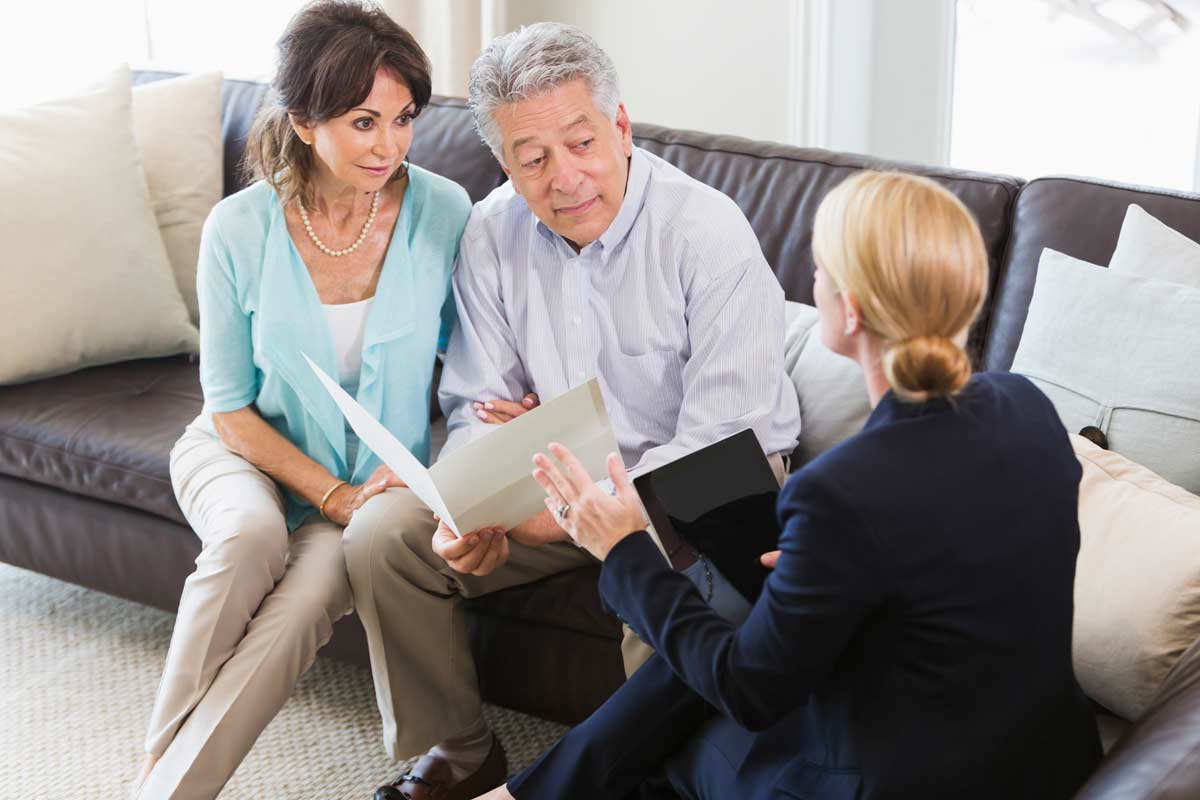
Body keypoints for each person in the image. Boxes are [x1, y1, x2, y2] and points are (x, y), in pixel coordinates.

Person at [489, 170, 1104, 799]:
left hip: (899, 781)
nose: (812, 281)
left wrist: (620, 547)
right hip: (1043, 753)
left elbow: (747, 690)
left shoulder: (841, 490)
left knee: (672, 744)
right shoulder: (1026, 405)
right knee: (722, 521)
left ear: (852, 309)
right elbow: (958, 551)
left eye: (820, 268)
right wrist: (835, 569)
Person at [355, 22, 801, 800]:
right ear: (504, 164)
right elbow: (476, 407)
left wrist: (580, 511)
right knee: (383, 539)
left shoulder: (704, 230)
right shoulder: (491, 233)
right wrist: (477, 505)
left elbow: (727, 432)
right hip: (556, 479)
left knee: (657, 580)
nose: (566, 178)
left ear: (620, 127)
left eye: (582, 143)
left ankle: (663, 783)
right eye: (533, 159)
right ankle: (460, 755)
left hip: (706, 476)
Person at [132, 2, 471, 797]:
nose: (389, 145)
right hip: (241, 451)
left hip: (369, 483)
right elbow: (227, 407)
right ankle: (157, 767)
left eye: (403, 119)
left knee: (305, 602)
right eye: (363, 121)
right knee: (249, 539)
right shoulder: (237, 229)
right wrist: (333, 494)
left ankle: (165, 788)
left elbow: (473, 356)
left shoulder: (444, 212)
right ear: (305, 119)